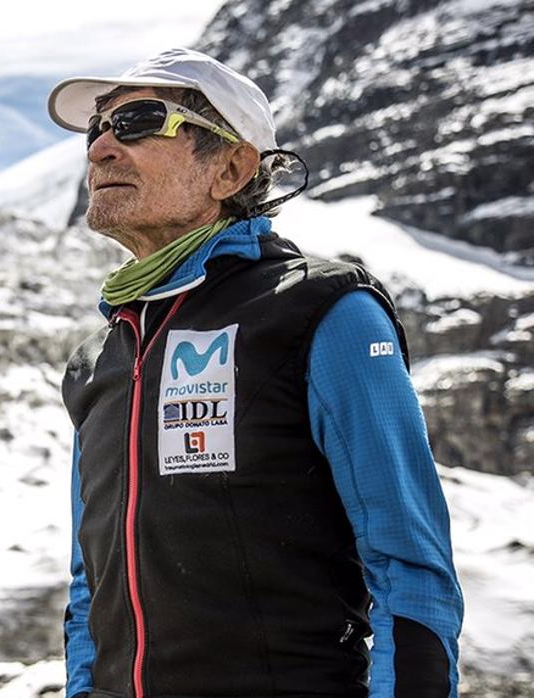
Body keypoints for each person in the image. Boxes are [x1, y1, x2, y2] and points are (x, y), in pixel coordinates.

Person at [46, 48, 463, 697]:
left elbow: (409, 571)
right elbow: (87, 585)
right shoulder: (99, 358)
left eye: (136, 122)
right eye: (97, 128)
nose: (99, 147)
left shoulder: (323, 312)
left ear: (231, 166)